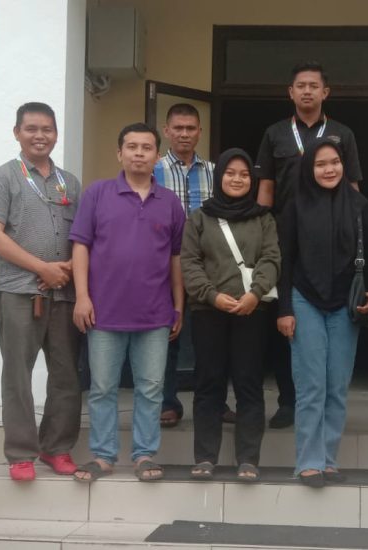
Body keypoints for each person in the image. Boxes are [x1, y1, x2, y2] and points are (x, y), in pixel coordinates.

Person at [70, 123, 185, 482]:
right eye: (131, 147)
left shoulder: (170, 202)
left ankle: (144, 455)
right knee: (103, 388)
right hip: (103, 312)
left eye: (146, 148)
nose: (139, 153)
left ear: (157, 156)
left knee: (150, 389)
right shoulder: (97, 194)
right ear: (119, 153)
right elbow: (80, 246)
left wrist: (178, 306)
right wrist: (82, 297)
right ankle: (103, 456)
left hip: (155, 314)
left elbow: (176, 258)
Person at [0, 102, 82, 481]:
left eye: (47, 129)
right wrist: (42, 268)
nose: (40, 136)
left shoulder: (69, 182)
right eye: (32, 129)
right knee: (18, 375)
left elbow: (82, 237)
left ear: (56, 134)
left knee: (66, 374)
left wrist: (65, 270)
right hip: (19, 292)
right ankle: (21, 452)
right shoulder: (3, 177)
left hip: (64, 293)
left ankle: (57, 447)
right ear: (17, 132)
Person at [256, 61, 363, 428]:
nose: (306, 91)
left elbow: (352, 188)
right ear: (291, 92)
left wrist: (355, 231)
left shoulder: (342, 134)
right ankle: (289, 401)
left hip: (332, 239)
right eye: (300, 85)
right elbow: (266, 188)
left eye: (313, 86)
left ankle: (325, 405)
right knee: (288, 322)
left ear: (325, 92)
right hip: (287, 237)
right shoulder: (275, 134)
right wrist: (262, 233)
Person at [277, 138, 368, 487]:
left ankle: (328, 460)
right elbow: (284, 260)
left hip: (345, 305)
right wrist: (284, 309)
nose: (329, 169)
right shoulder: (294, 205)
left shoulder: (359, 205)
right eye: (320, 164)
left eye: (334, 162)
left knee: (336, 386)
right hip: (304, 300)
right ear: (309, 168)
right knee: (311, 385)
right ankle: (308, 462)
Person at [181, 148, 280, 481]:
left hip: (252, 311)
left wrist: (255, 294)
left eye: (244, 174)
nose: (237, 179)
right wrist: (211, 296)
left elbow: (271, 259)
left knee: (249, 383)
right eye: (230, 173)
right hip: (208, 311)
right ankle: (205, 457)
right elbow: (189, 262)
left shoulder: (263, 218)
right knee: (209, 383)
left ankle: (248, 458)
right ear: (219, 176)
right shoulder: (199, 218)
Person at [154, 103, 235, 428]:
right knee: (167, 335)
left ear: (200, 132)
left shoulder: (216, 172)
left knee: (212, 340)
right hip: (165, 266)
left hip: (209, 268)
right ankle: (167, 403)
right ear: (167, 131)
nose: (184, 134)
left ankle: (215, 403)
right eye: (178, 128)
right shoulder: (153, 170)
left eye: (191, 128)